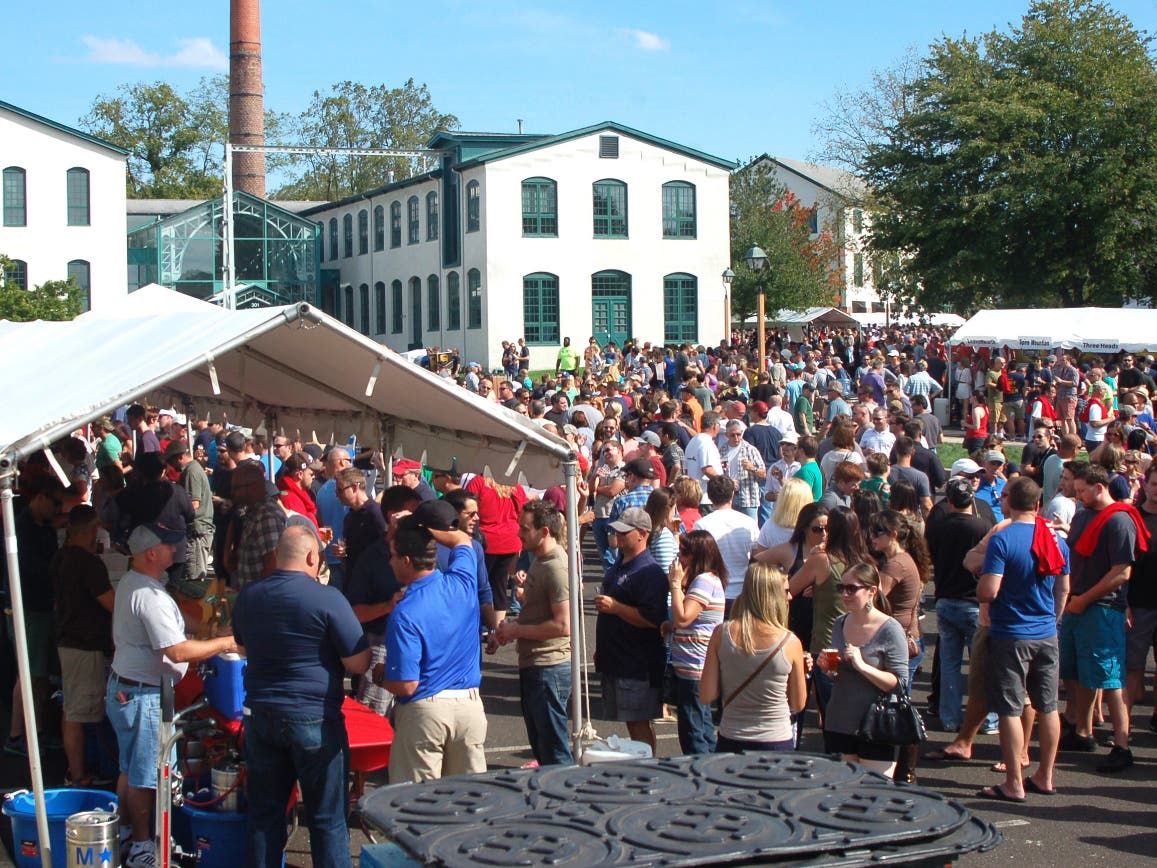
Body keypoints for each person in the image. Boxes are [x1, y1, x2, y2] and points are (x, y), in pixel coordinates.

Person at [234, 526, 370, 867]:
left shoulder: (249, 595)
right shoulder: (327, 598)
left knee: (265, 817)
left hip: (261, 713)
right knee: (327, 820)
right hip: (314, 717)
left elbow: (242, 643)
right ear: (313, 557)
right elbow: (357, 662)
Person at [108, 524, 238, 867]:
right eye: (168, 547)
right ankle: (140, 847)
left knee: (130, 769)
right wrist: (225, 643)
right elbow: (178, 651)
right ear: (151, 553)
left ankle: (126, 835)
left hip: (130, 689)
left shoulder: (134, 584)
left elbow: (176, 632)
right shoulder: (148, 595)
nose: (174, 551)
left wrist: (213, 632)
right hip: (142, 695)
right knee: (144, 776)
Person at [976, 476, 1068, 802]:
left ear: (1008, 502)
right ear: (1038, 504)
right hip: (1046, 632)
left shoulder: (1003, 538)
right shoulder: (1056, 539)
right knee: (1048, 706)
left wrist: (979, 585)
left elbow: (989, 590)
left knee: (1010, 708)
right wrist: (1052, 621)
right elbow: (1064, 588)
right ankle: (1046, 775)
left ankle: (1014, 782)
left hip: (1011, 633)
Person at [381, 501, 488, 782]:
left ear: (406, 560)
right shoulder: (463, 581)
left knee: (417, 807)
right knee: (471, 803)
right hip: (469, 708)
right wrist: (421, 525)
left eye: (392, 555)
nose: (389, 561)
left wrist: (381, 674)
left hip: (424, 712)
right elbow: (462, 539)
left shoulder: (404, 612)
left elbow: (405, 683)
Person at [1059, 463, 1145, 773]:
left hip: (1102, 608)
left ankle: (1122, 745)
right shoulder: (1083, 514)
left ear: (1099, 487)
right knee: (1077, 672)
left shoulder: (1119, 520)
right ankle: (1083, 731)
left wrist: (1084, 599)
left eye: (1082, 490)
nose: (1077, 495)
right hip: (1077, 604)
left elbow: (1122, 572)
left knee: (1111, 680)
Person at [700, 562, 807, 752]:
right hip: (776, 739)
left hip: (731, 737)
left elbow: (707, 694)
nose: (790, 597)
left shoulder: (721, 634)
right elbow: (798, 704)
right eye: (785, 591)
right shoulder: (790, 642)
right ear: (772, 595)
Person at [496, 501, 573, 766]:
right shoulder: (541, 561)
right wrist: (522, 599)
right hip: (537, 665)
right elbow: (541, 609)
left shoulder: (555, 567)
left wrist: (517, 629)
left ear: (544, 532)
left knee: (555, 749)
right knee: (543, 744)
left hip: (548, 667)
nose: (519, 533)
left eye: (524, 529)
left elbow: (564, 625)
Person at [822, 562, 909, 777]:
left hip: (877, 724)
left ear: (871, 591)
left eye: (851, 588)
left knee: (874, 794)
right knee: (841, 793)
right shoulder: (840, 624)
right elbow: (839, 676)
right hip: (840, 720)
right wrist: (829, 669)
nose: (845, 594)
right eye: (841, 588)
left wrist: (862, 666)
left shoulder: (890, 629)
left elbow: (900, 683)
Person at [593, 507, 668, 754]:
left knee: (638, 721)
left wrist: (615, 608)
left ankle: (647, 768)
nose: (618, 535)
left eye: (625, 532)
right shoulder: (621, 563)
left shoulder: (650, 572)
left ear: (642, 534)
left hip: (636, 663)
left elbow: (652, 620)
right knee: (631, 720)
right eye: (617, 530)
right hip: (617, 658)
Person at [50, 505, 115, 787]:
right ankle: (77, 775)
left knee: (75, 710)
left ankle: (78, 772)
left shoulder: (61, 557)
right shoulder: (87, 563)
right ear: (91, 531)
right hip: (83, 644)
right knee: (78, 711)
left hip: (70, 639)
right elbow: (110, 603)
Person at [665, 530, 726, 754]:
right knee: (701, 727)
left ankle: (701, 776)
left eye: (684, 552)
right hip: (693, 666)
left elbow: (683, 617)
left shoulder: (704, 581)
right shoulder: (705, 580)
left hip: (695, 668)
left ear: (698, 555)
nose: (679, 557)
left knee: (694, 733)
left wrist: (674, 583)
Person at [693, 476, 759, 614]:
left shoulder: (702, 524)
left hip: (713, 593)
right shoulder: (749, 522)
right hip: (742, 592)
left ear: (710, 497)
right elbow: (756, 556)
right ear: (732, 494)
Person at [164, 441, 214, 582]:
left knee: (194, 577)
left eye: (171, 460)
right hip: (196, 530)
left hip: (197, 531)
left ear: (179, 457)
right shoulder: (191, 470)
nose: (171, 465)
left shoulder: (191, 471)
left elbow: (194, 504)